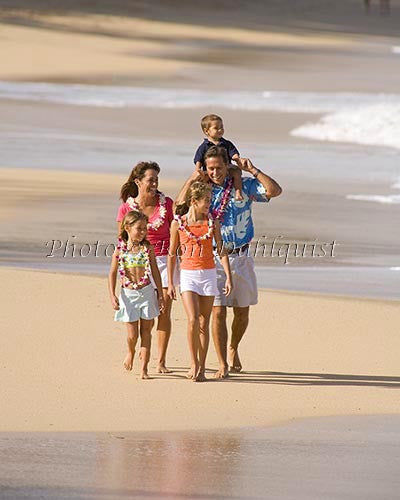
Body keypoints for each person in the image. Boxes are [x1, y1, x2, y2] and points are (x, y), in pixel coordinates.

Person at [177, 146, 282, 378]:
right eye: (210, 168)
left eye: (219, 168)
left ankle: (234, 346)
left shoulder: (242, 186)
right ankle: (222, 362)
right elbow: (179, 205)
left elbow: (274, 191)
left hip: (242, 256)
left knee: (242, 313)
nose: (214, 172)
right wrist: (193, 177)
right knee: (218, 312)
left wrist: (252, 170)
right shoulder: (203, 191)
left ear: (228, 166)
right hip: (212, 258)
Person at [117, 161, 178, 374]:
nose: (154, 183)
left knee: (164, 311)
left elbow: (175, 235)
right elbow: (121, 240)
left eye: (156, 179)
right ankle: (138, 351)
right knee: (144, 318)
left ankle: (160, 361)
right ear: (138, 182)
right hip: (138, 264)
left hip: (163, 262)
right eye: (150, 179)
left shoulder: (166, 204)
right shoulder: (127, 207)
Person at [167, 182, 232, 382]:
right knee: (193, 319)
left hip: (208, 275)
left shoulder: (213, 223)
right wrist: (170, 282)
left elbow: (220, 249)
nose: (209, 205)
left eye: (211, 201)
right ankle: (193, 362)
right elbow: (171, 253)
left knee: (204, 322)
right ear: (194, 201)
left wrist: (228, 276)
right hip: (188, 275)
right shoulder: (179, 223)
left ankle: (202, 367)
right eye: (206, 201)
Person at [109, 210, 164, 379]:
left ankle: (144, 369)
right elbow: (112, 273)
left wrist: (160, 295)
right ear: (127, 227)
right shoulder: (120, 249)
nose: (143, 232)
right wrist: (112, 295)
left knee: (146, 331)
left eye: (145, 229)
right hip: (128, 295)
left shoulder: (147, 248)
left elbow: (155, 272)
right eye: (139, 229)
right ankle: (131, 352)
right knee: (132, 336)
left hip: (146, 292)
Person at [194, 114, 244, 201]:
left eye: (222, 127)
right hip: (210, 172)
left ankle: (238, 192)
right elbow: (198, 159)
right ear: (206, 131)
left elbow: (234, 154)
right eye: (216, 128)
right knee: (202, 179)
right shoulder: (204, 146)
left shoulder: (226, 143)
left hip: (227, 168)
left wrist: (238, 161)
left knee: (237, 172)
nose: (220, 130)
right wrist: (198, 169)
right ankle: (203, 196)